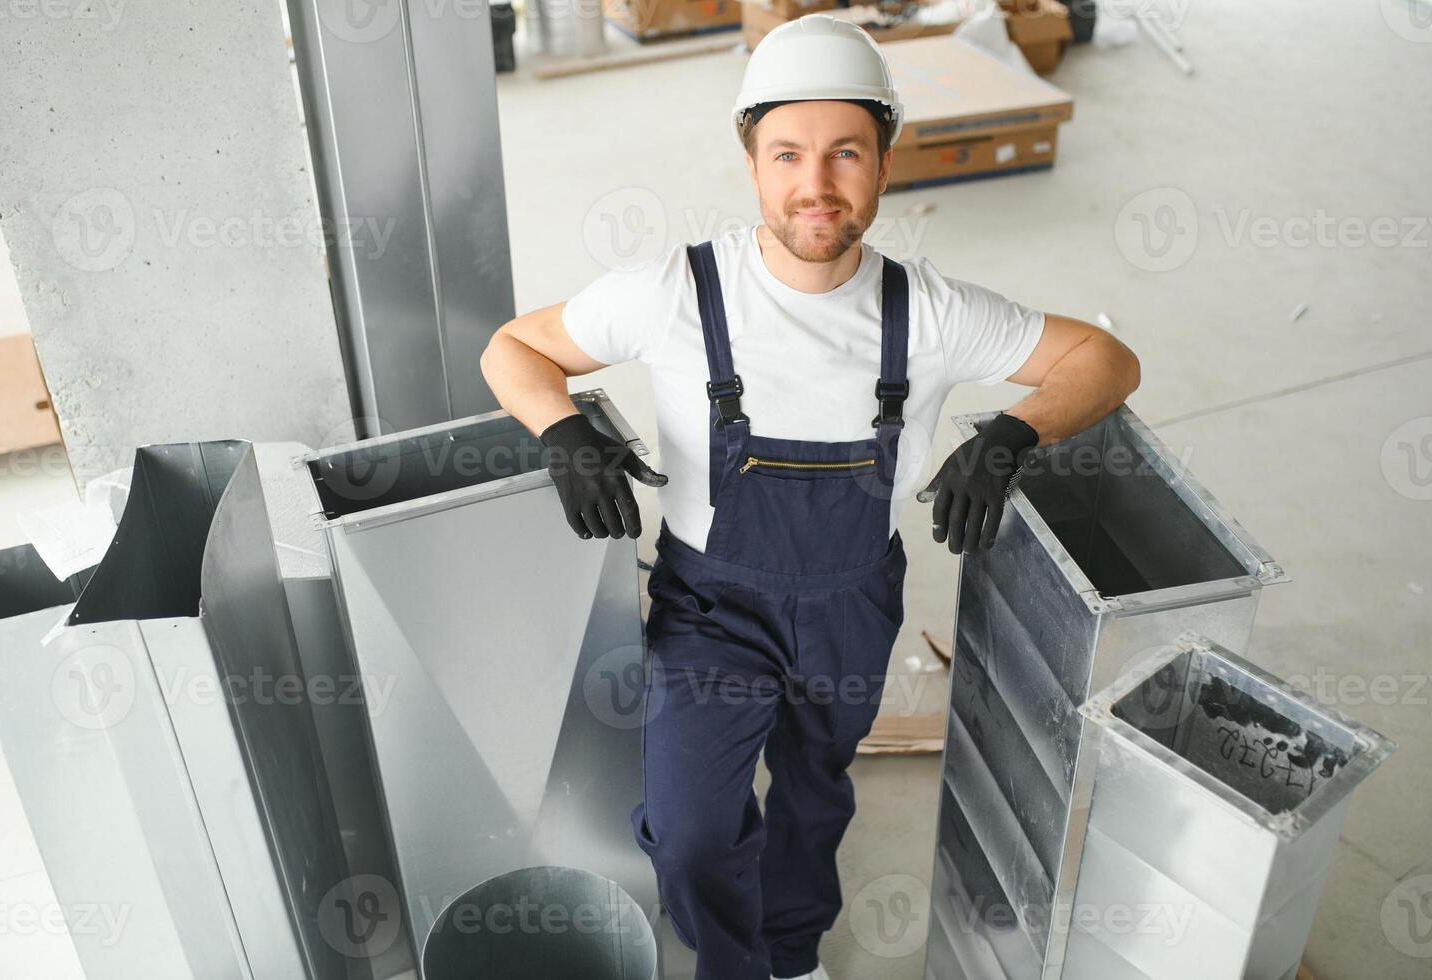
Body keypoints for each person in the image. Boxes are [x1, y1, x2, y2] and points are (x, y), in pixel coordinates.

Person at [480, 15, 1139, 979]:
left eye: (845, 153)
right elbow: (514, 347)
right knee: (693, 828)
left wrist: (1012, 434)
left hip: (850, 602)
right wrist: (562, 434)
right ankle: (734, 961)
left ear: (883, 161)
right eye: (787, 152)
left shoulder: (930, 313)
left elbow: (1106, 358)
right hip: (711, 604)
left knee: (812, 791)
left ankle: (789, 956)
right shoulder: (676, 292)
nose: (816, 185)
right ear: (751, 161)